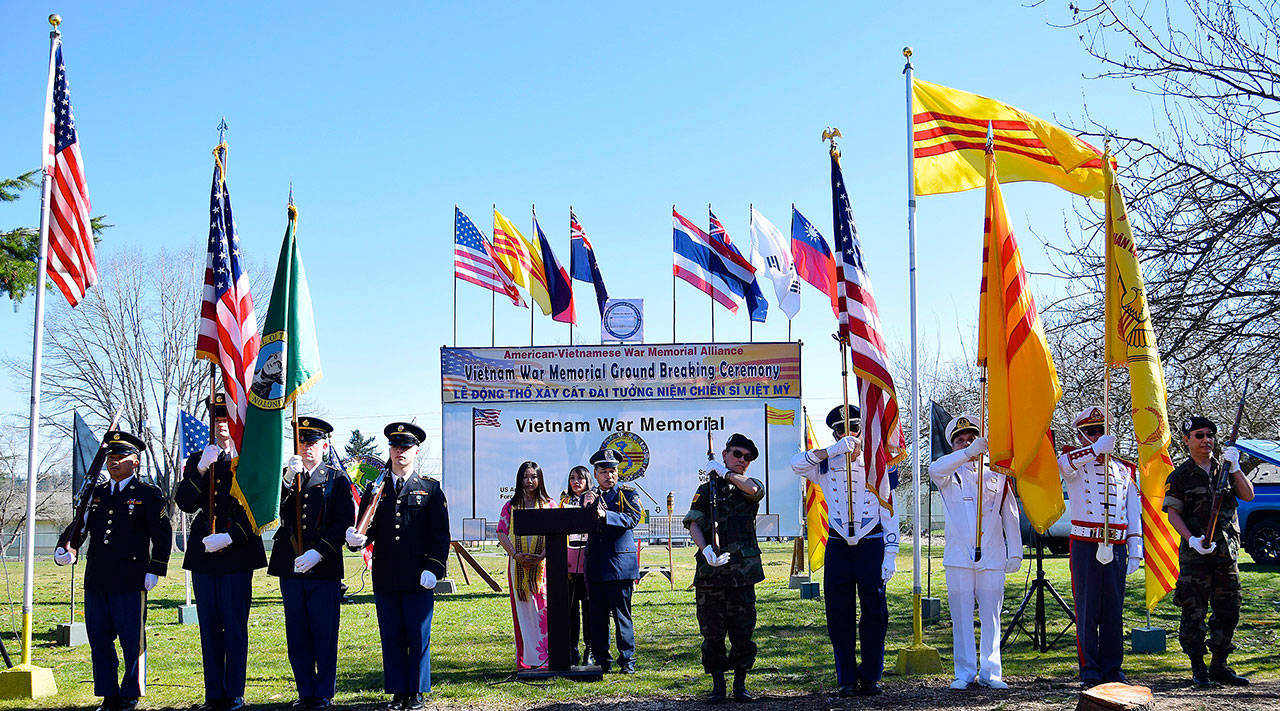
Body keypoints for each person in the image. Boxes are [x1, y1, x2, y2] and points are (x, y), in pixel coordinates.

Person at [55, 430, 171, 711]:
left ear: (136, 463)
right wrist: (66, 547)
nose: (114, 462)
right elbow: (79, 525)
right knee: (99, 639)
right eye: (111, 457)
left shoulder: (147, 494)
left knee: (132, 639)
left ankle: (131, 691)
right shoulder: (97, 494)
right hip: (97, 577)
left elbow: (163, 534)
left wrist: (156, 568)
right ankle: (108, 692)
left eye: (121, 457)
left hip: (131, 579)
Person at [790, 405, 897, 696]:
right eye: (840, 431)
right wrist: (832, 450)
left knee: (875, 612)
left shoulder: (878, 462)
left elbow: (890, 508)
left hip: (871, 543)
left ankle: (872, 675)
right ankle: (847, 678)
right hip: (838, 545)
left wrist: (891, 552)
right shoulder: (825, 462)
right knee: (839, 615)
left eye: (853, 429)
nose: (847, 434)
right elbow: (796, 464)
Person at [346, 422, 449, 709]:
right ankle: (397, 690)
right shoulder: (376, 489)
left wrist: (435, 567)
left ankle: (414, 691)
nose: (399, 451)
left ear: (416, 451)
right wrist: (356, 538)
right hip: (387, 573)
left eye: (406, 446)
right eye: (395, 446)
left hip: (419, 575)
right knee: (391, 634)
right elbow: (369, 529)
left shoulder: (430, 489)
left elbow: (440, 535)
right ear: (389, 450)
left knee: (417, 634)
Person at [174, 394, 268, 711]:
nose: (221, 425)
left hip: (237, 551)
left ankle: (235, 692)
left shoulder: (250, 458)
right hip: (204, 553)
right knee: (210, 626)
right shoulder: (200, 458)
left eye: (226, 418)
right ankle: (214, 692)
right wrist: (201, 468)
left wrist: (231, 536)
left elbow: (258, 506)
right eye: (216, 419)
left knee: (234, 625)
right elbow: (185, 503)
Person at [267, 416, 354, 711]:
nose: (307, 447)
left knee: (324, 631)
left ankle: (323, 692)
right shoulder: (287, 477)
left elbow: (343, 521)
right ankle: (305, 690)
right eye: (302, 441)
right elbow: (272, 511)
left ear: (325, 445)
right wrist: (287, 481)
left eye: (313, 442)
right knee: (297, 631)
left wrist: (319, 552)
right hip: (290, 565)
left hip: (323, 566)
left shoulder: (336, 479)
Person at [930, 415, 1021, 690]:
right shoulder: (947, 471)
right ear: (953, 445)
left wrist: (1014, 551)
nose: (968, 443)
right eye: (961, 440)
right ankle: (965, 671)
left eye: (972, 439)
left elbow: (1010, 513)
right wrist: (967, 454)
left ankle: (991, 671)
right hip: (958, 556)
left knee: (991, 614)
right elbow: (935, 470)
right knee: (961, 615)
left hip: (992, 554)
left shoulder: (997, 472)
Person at [1164, 415, 1255, 687]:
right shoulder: (1180, 475)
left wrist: (1236, 468)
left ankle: (1219, 665)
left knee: (1228, 609)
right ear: (1187, 441)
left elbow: (1248, 495)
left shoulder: (1226, 469)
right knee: (1193, 609)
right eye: (1199, 435)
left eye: (1210, 435)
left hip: (1226, 553)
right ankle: (1198, 669)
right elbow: (1173, 513)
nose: (1206, 440)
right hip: (1196, 556)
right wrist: (1191, 540)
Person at [1057, 406, 1142, 688]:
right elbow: (1064, 465)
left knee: (1113, 610)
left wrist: (1135, 545)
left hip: (1116, 544)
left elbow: (1132, 509)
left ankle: (1113, 668)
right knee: (1087, 608)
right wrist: (1094, 450)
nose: (1097, 435)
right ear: (1081, 435)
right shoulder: (1075, 462)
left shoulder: (1123, 469)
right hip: (1085, 542)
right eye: (1091, 432)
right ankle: (1090, 669)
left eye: (1102, 430)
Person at [683, 433, 765, 703]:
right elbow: (694, 521)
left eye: (747, 458)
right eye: (737, 455)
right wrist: (705, 549)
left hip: (742, 573)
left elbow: (754, 491)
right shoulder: (707, 489)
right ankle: (718, 684)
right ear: (725, 454)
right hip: (712, 574)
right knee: (712, 631)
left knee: (743, 631)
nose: (742, 460)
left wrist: (726, 474)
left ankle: (740, 684)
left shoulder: (748, 485)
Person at [582, 447, 642, 674]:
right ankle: (601, 661)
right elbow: (579, 523)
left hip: (620, 567)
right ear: (595, 474)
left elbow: (633, 517)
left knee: (621, 615)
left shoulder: (627, 494)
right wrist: (585, 505)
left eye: (613, 471)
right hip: (596, 564)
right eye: (604, 471)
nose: (609, 476)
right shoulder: (589, 496)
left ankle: (627, 661)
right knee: (596, 616)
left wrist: (606, 515)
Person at [496, 461, 556, 669]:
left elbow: (557, 534)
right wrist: (515, 555)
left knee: (544, 611)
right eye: (525, 477)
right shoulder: (511, 505)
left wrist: (542, 555)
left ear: (540, 479)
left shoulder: (549, 504)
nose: (529, 481)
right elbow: (501, 532)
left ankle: (547, 659)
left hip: (544, 570)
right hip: (518, 568)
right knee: (523, 611)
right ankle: (526, 660)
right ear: (519, 479)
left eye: (533, 477)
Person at [559, 466, 593, 666]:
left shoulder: (595, 499)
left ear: (588, 479)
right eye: (572, 478)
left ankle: (590, 649)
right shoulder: (563, 501)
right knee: (571, 608)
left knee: (588, 608)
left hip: (589, 558)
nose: (576, 481)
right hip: (568, 561)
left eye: (580, 478)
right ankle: (571, 649)